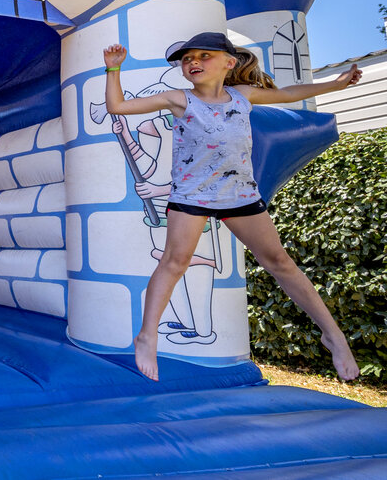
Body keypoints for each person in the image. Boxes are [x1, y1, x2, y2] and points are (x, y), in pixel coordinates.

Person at [104, 31, 362, 382]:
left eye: (203, 56)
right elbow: (118, 108)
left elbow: (289, 94)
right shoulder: (179, 99)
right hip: (191, 197)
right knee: (174, 262)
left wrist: (336, 84)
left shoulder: (243, 95)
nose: (193, 62)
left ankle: (333, 335)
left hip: (240, 196)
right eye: (187, 59)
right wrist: (113, 70)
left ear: (229, 63)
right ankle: (147, 336)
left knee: (280, 263)